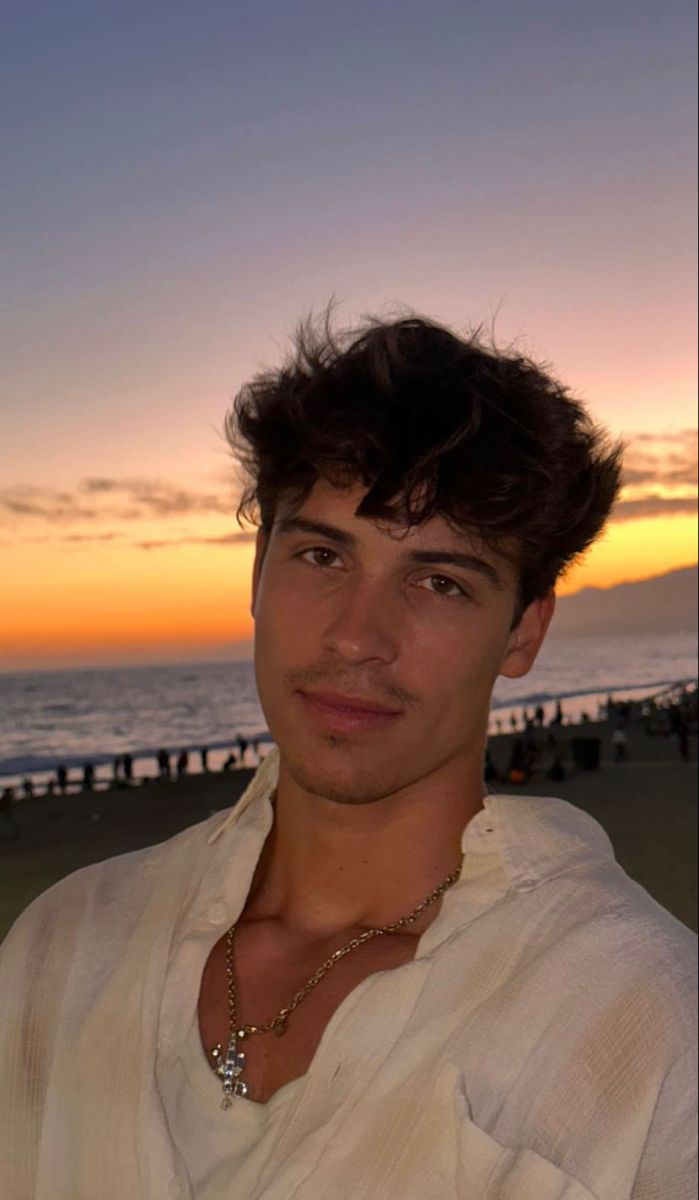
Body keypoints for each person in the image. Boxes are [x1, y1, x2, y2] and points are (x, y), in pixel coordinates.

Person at [0, 310, 695, 1199]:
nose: (358, 637)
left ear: (523, 631)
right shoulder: (66, 947)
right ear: (256, 574)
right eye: (324, 555)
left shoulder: (632, 1020)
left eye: (439, 582)